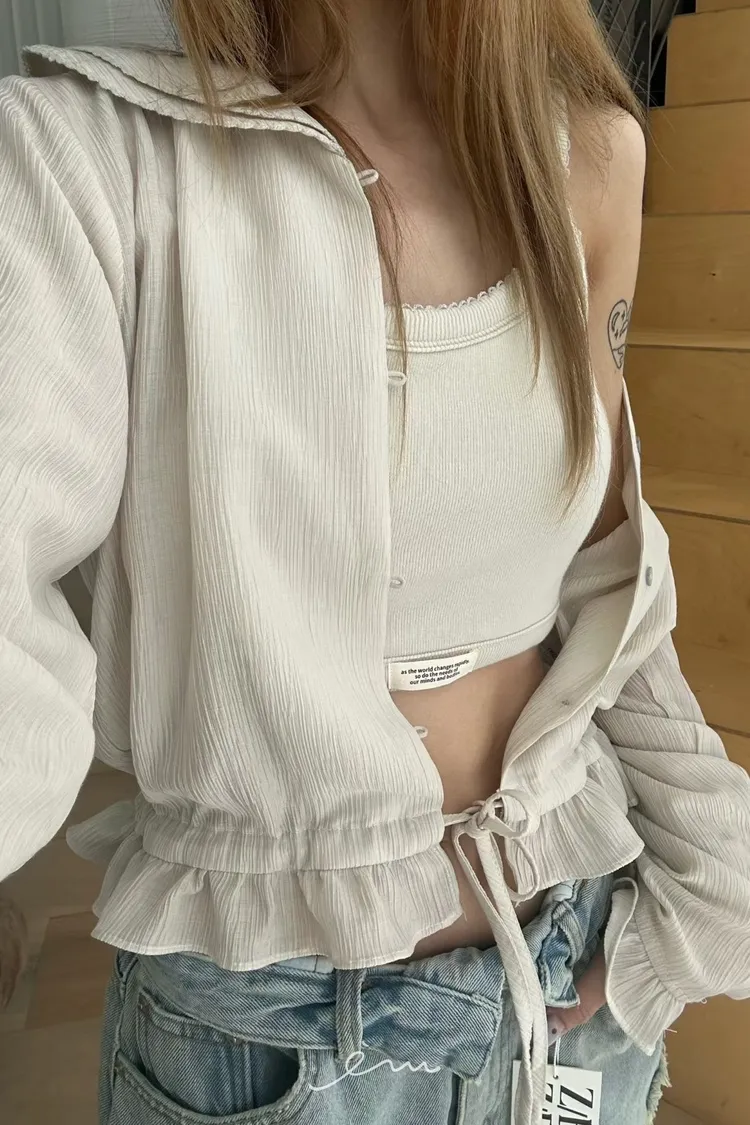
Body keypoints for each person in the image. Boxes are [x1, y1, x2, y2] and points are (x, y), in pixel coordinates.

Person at [0, 1, 749, 1123]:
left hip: (562, 971)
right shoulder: (82, 156)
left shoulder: (593, 156)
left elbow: (605, 576)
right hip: (267, 1043)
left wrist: (718, 874)